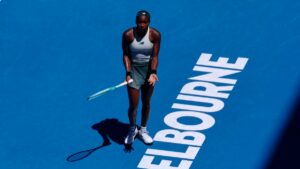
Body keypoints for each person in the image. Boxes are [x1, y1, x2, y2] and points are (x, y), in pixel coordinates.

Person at [122, 10, 161, 145]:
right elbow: (126, 55)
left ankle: (143, 130)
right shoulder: (127, 35)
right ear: (136, 22)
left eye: (145, 22)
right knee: (133, 105)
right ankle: (133, 128)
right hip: (134, 71)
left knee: (146, 102)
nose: (142, 25)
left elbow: (155, 56)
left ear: (149, 22)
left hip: (148, 71)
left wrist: (153, 72)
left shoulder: (155, 34)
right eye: (139, 22)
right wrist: (127, 73)